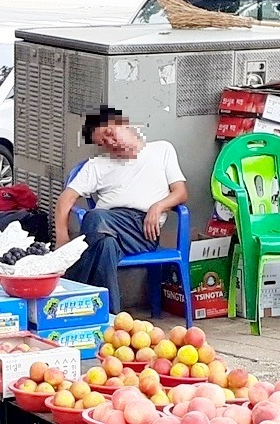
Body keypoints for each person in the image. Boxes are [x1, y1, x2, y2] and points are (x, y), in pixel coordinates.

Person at [56, 106, 187, 314]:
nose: (110, 142)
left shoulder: (161, 150)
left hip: (142, 230)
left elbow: (180, 192)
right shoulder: (97, 165)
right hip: (105, 229)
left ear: (123, 123)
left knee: (94, 218)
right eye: (103, 143)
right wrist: (62, 236)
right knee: (104, 246)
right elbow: (66, 198)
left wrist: (159, 206)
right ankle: (111, 318)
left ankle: (65, 294)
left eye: (109, 133)